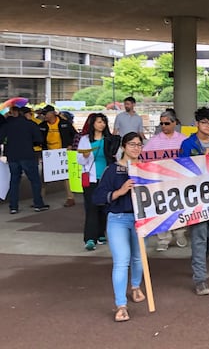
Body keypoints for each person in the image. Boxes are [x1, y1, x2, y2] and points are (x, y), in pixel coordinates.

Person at [93, 132, 147, 322]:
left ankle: (135, 286)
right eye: (132, 144)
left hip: (141, 220)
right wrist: (120, 191)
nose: (136, 148)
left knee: (139, 258)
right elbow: (98, 197)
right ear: (123, 146)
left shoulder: (146, 169)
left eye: (139, 145)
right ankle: (121, 304)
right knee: (122, 260)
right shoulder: (112, 170)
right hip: (118, 218)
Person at [180, 107, 209, 295]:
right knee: (199, 236)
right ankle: (200, 279)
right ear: (197, 123)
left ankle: (199, 261)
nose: (208, 126)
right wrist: (200, 160)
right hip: (196, 196)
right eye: (204, 122)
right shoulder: (188, 144)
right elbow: (181, 168)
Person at [143, 109, 188, 251]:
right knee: (161, 209)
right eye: (161, 123)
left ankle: (180, 233)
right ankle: (163, 239)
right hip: (159, 181)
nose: (164, 126)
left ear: (174, 123)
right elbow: (143, 159)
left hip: (178, 181)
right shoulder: (153, 141)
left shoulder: (183, 140)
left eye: (167, 123)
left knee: (179, 208)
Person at [76, 113, 120, 251]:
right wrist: (85, 156)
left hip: (106, 178)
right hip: (91, 178)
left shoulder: (109, 140)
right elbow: (79, 160)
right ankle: (90, 238)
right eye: (99, 122)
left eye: (104, 122)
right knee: (92, 207)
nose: (102, 124)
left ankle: (101, 233)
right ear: (92, 123)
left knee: (105, 207)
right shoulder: (85, 140)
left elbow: (117, 157)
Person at [0, 107, 48, 214]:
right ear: (26, 114)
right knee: (35, 180)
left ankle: (13, 207)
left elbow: (1, 138)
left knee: (14, 181)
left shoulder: (7, 125)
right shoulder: (31, 124)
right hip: (27, 155)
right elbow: (39, 139)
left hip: (12, 156)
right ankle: (38, 204)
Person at [38, 105, 78, 207]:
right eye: (43, 114)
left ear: (52, 113)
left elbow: (75, 135)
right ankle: (39, 199)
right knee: (44, 177)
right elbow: (39, 138)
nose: (44, 116)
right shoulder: (42, 125)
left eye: (46, 114)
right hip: (49, 154)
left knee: (66, 176)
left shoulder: (64, 123)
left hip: (63, 153)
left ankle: (70, 198)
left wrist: (70, 145)